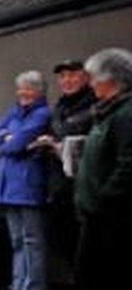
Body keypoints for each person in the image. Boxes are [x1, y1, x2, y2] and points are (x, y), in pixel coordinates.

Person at [0, 71, 52, 290]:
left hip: (28, 187)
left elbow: (18, 142)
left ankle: (33, 285)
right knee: (16, 241)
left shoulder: (42, 114)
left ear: (39, 91)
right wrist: (6, 138)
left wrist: (5, 143)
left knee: (32, 241)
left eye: (28, 88)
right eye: (20, 88)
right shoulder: (14, 112)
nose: (22, 93)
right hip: (7, 187)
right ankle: (17, 283)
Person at [74, 48, 132, 290]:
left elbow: (129, 165)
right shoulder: (107, 113)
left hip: (112, 218)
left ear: (110, 80)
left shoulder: (126, 114)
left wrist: (102, 199)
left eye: (94, 78)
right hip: (96, 215)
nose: (91, 85)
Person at [37, 59, 97, 287]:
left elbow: (72, 134)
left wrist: (56, 141)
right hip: (59, 188)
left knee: (88, 249)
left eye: (72, 75)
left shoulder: (94, 105)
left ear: (85, 77)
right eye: (62, 77)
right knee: (66, 244)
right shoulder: (58, 108)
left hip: (83, 189)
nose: (67, 81)